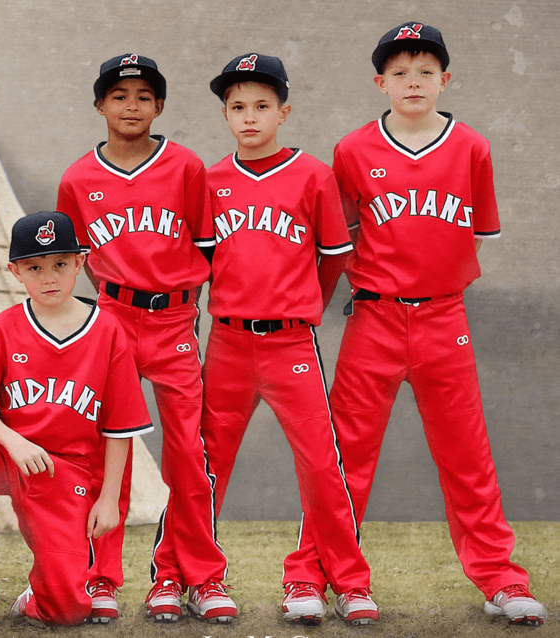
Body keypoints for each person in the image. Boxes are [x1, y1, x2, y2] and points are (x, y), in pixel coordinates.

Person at [290, 22, 548, 626]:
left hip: (443, 317)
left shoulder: (472, 148)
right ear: (380, 81)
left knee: (467, 460)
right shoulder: (353, 151)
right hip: (374, 318)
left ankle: (502, 581)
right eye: (400, 72)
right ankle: (309, 577)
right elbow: (339, 238)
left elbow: (476, 233)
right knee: (341, 458)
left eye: (425, 71)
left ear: (445, 79)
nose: (413, 81)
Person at [198, 52, 378, 626]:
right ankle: (189, 576)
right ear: (225, 114)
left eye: (261, 106)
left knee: (323, 467)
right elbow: (202, 262)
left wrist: (298, 310)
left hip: (290, 344)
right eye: (237, 107)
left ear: (284, 111)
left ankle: (344, 583)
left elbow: (331, 261)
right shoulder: (210, 180)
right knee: (204, 464)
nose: (249, 117)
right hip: (226, 343)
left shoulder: (312, 174)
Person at [55, 53, 232, 623]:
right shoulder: (79, 178)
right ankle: (100, 578)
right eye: (119, 95)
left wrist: (181, 303)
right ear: (100, 105)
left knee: (187, 453)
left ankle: (194, 578)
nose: (131, 106)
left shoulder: (186, 167)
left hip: (175, 320)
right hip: (113, 319)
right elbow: (74, 257)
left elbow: (208, 247)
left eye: (143, 96)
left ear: (159, 105)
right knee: (109, 452)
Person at [0, 212, 150, 631]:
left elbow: (120, 429)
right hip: (7, 456)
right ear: (15, 271)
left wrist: (107, 500)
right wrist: (14, 442)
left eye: (60, 264)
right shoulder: (2, 329)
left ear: (80, 263)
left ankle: (43, 592)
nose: (48, 277)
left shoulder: (107, 331)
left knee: (68, 611)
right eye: (35, 267)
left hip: (64, 469)